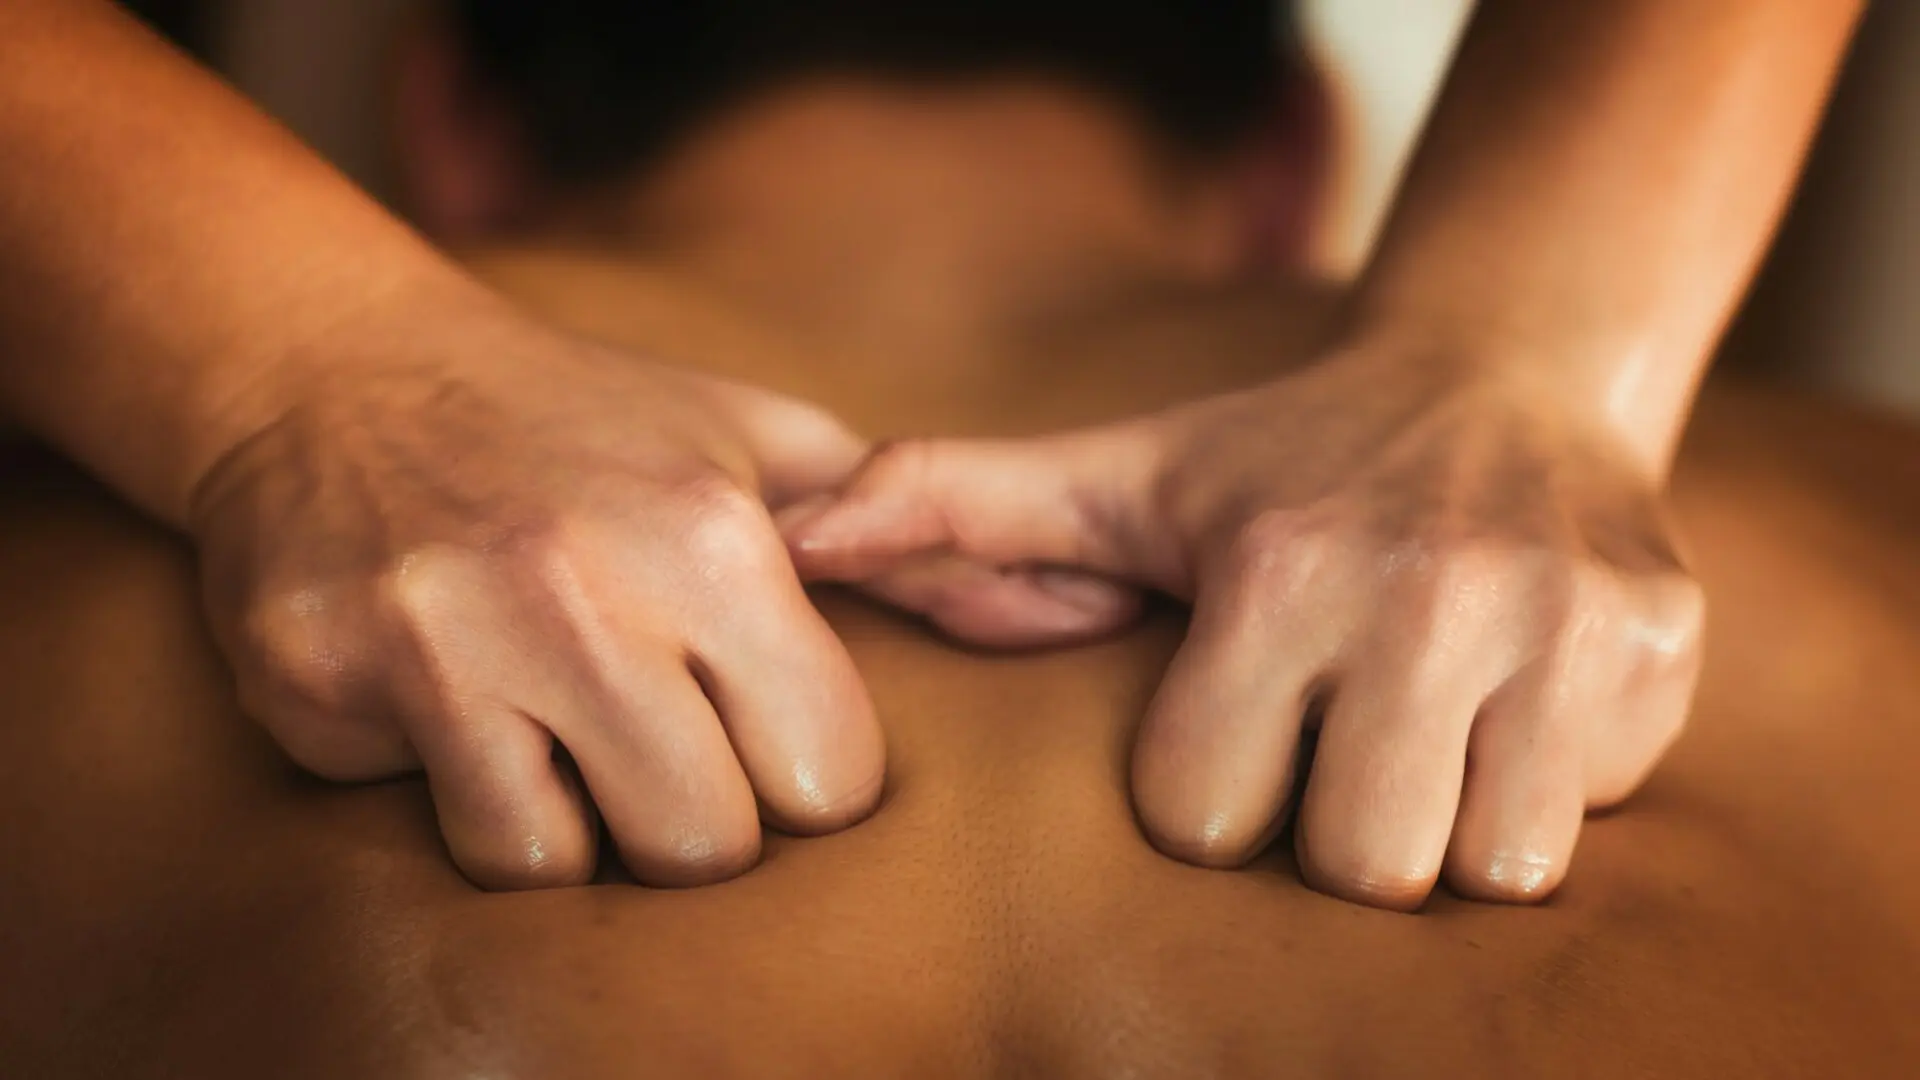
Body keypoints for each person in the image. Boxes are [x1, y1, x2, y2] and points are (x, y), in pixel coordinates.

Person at [0, 0, 1863, 909]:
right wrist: (1547, 365)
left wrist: (293, 365)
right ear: (1296, 165)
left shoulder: (59, 577)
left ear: (449, 130)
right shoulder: (1872, 546)